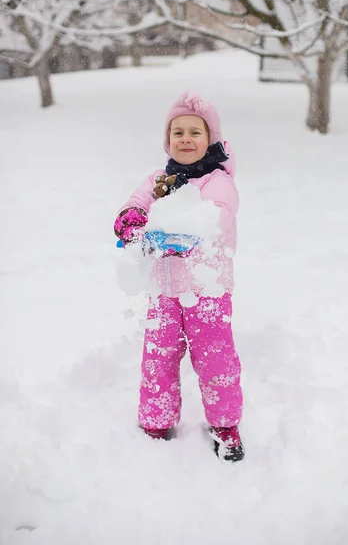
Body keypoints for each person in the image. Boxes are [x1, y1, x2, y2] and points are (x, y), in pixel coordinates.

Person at [114, 90, 244, 462]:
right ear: (168, 141)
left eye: (195, 133)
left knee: (215, 360)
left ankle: (225, 425)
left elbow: (218, 216)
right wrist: (132, 223)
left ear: (210, 140)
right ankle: (156, 421)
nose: (186, 139)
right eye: (178, 133)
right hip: (164, 290)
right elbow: (134, 205)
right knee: (158, 358)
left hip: (208, 291)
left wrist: (177, 233)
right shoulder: (158, 179)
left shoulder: (217, 182)